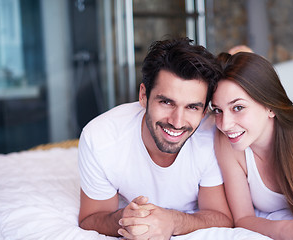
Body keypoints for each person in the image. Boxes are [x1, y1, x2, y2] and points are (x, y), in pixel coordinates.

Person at [77, 37, 233, 239]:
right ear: (143, 96)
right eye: (167, 102)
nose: (177, 122)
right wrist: (125, 219)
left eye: (192, 107)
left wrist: (173, 221)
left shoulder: (211, 135)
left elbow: (221, 217)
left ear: (204, 111)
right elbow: (90, 218)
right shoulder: (100, 138)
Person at [211, 51, 293, 240]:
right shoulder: (226, 142)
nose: (224, 124)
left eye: (238, 108)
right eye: (217, 110)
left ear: (270, 106)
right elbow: (242, 218)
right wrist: (284, 230)